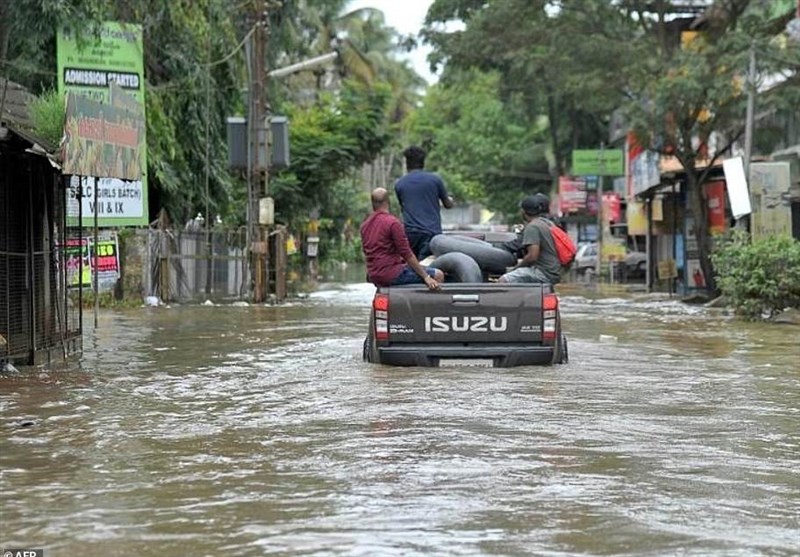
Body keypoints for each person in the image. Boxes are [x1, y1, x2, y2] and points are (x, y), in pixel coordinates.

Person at [360, 187, 444, 290]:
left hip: (374, 276)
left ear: (372, 203)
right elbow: (406, 253)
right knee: (438, 275)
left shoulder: (365, 226)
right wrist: (426, 277)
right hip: (392, 274)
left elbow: (368, 253)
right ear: (388, 202)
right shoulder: (392, 223)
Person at [394, 145, 454, 259]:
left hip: (410, 234)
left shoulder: (400, 184)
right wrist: (451, 200)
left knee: (413, 268)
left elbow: (403, 206)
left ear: (407, 163)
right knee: (427, 268)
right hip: (431, 234)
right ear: (423, 162)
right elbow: (448, 204)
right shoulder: (435, 180)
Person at [498, 193, 562, 284]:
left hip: (544, 273)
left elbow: (532, 256)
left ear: (523, 212)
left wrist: (515, 268)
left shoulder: (532, 227)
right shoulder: (548, 223)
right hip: (555, 272)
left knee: (503, 280)